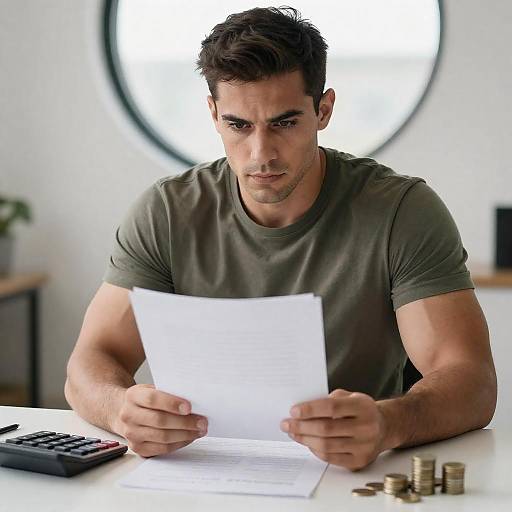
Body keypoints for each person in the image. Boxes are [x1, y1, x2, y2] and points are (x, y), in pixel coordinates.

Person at [65, 6, 496, 470]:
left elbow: (470, 380)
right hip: (201, 469)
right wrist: (120, 408)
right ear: (213, 113)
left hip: (351, 476)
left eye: (285, 123)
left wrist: (390, 423)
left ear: (323, 110)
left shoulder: (401, 211)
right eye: (239, 125)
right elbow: (89, 363)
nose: (261, 153)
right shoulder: (167, 212)